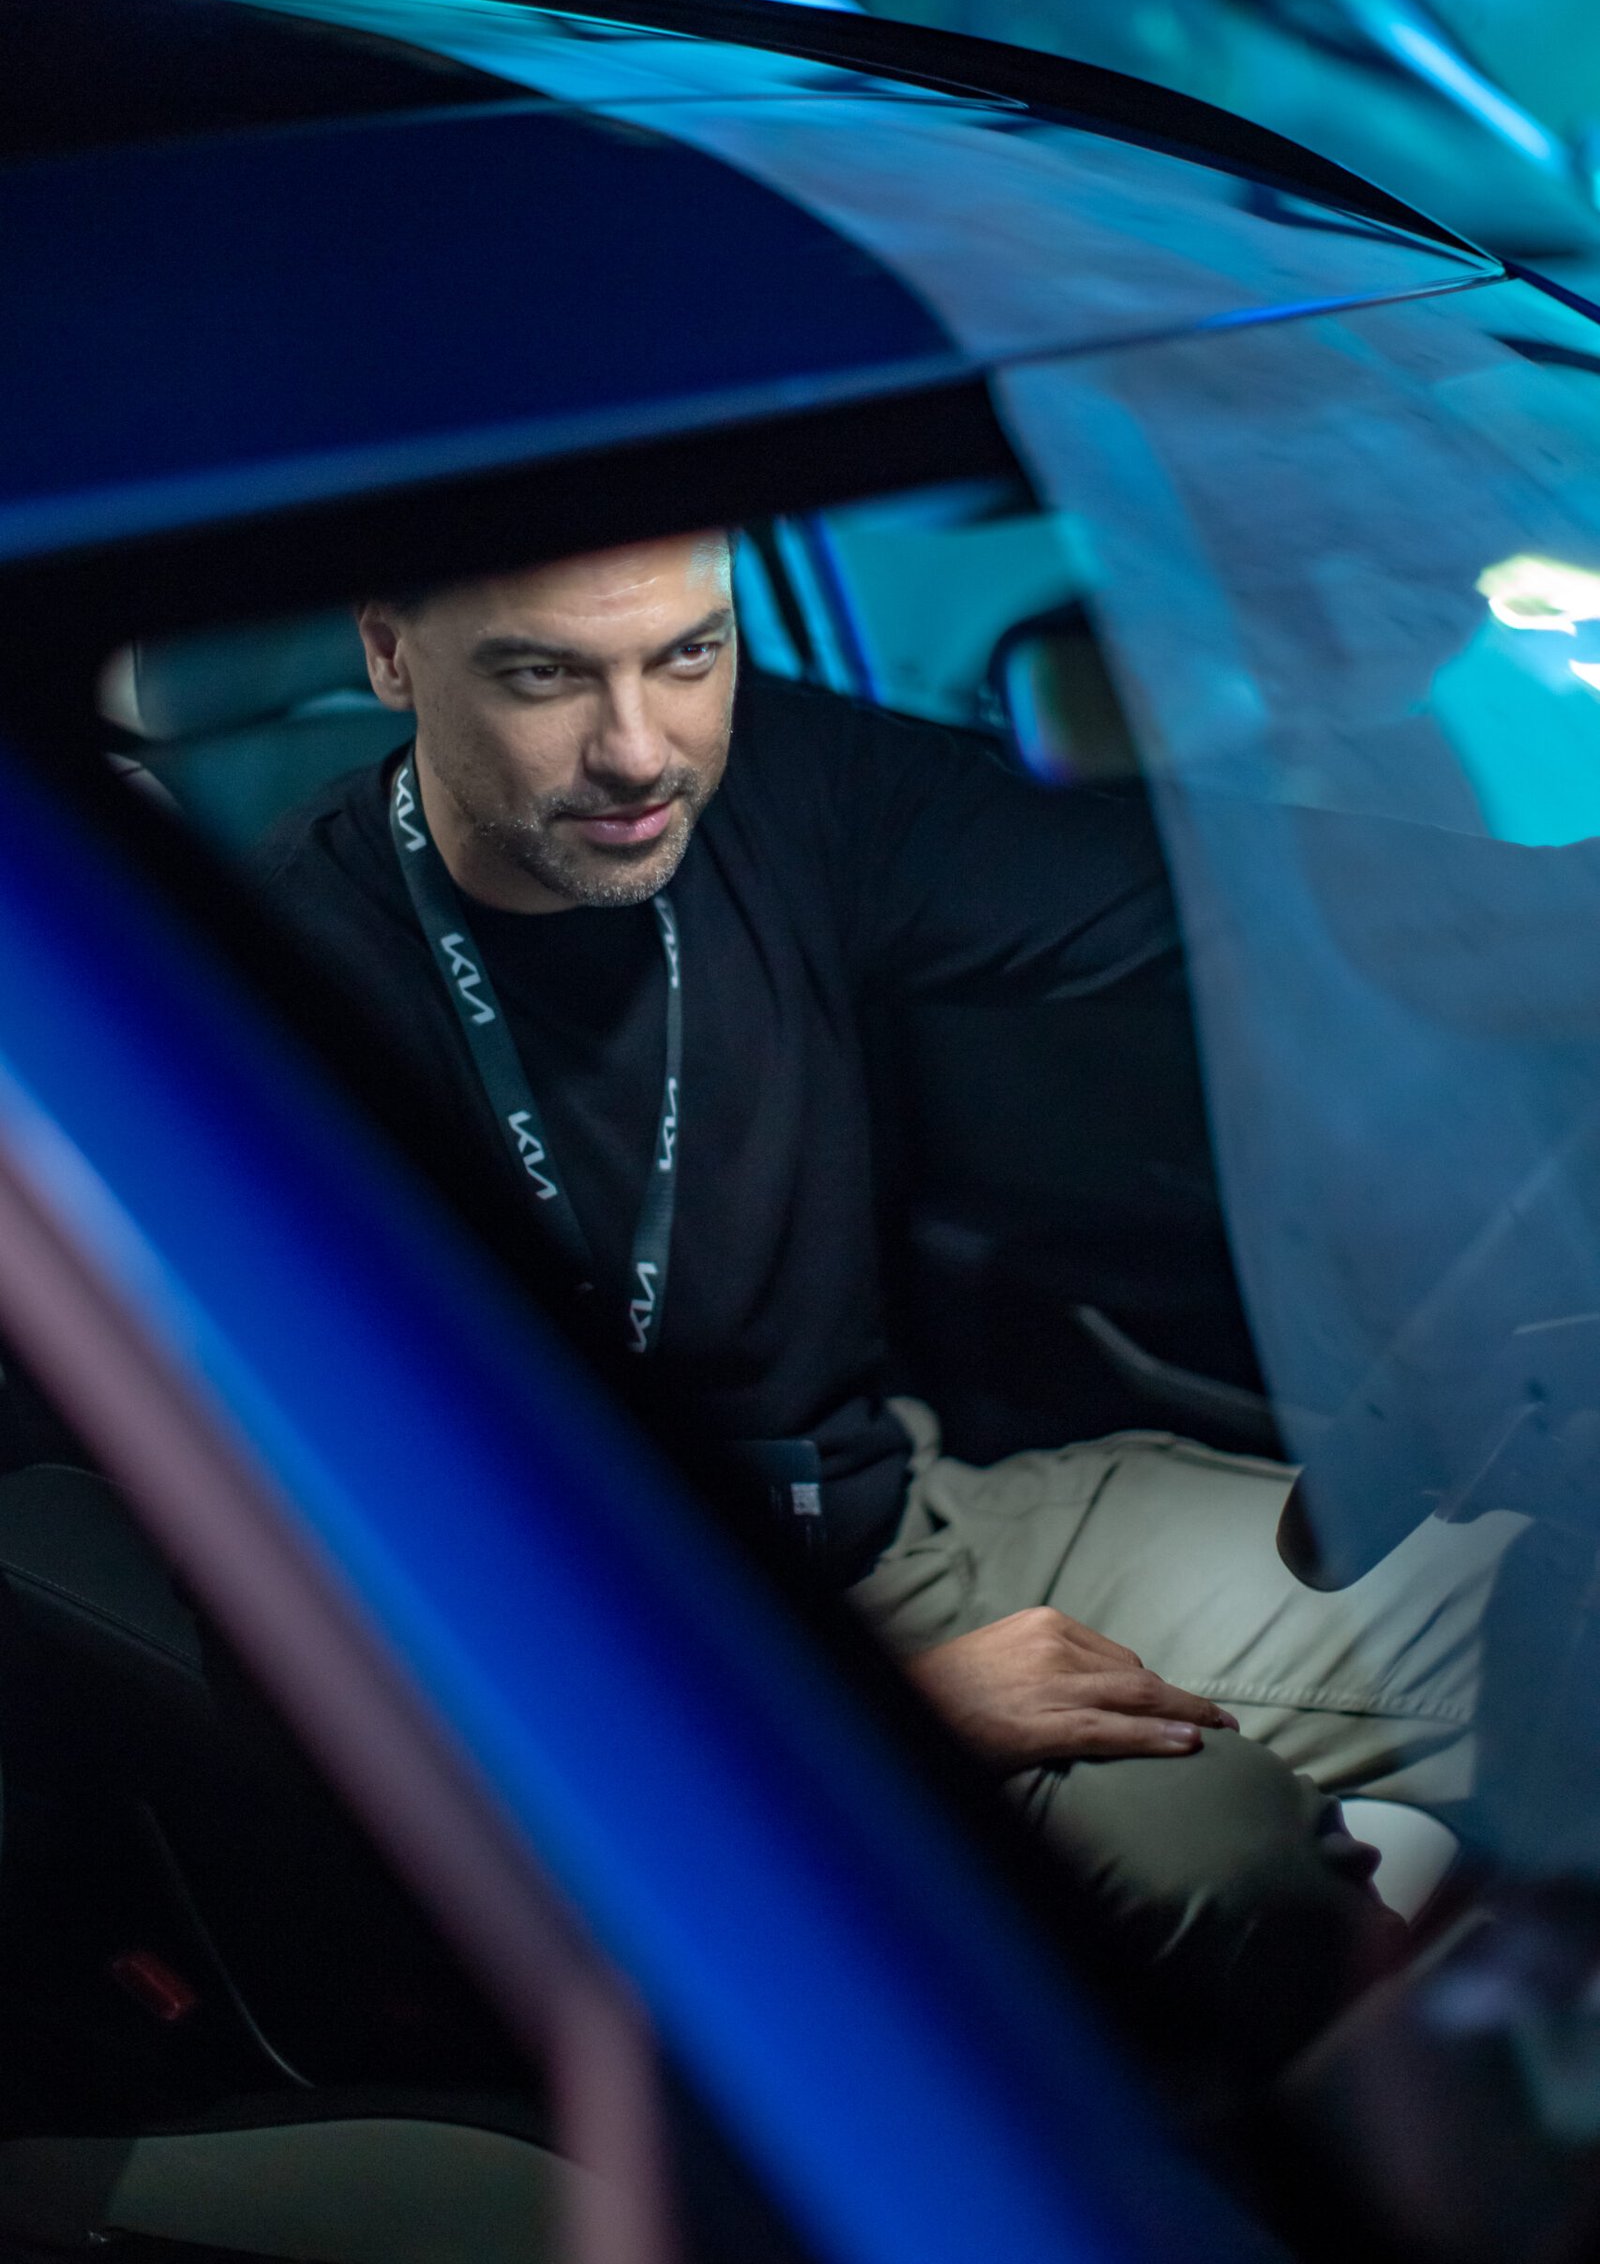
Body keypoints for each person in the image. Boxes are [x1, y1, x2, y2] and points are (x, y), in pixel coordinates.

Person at [259, 529, 1520, 2084]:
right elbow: (353, 1627)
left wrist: (1555, 898)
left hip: (911, 1530)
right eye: (543, 677)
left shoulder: (780, 781)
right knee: (1217, 1853)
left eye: (689, 655)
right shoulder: (285, 1012)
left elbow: (1225, 896)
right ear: (392, 655)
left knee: (1544, 1620)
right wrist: (872, 1709)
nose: (639, 750)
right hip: (649, 1679)